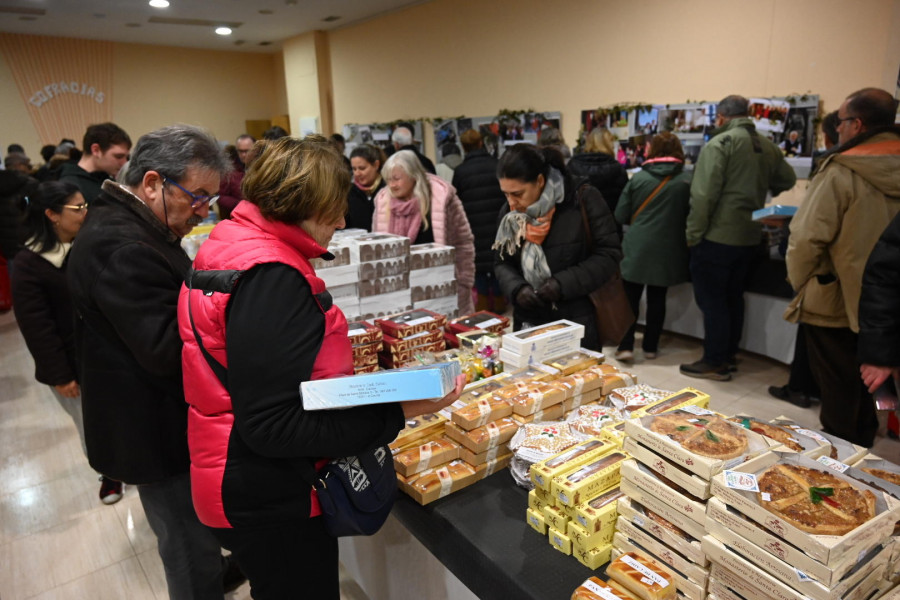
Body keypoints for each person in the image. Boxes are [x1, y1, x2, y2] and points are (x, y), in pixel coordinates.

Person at [178, 135, 464, 599]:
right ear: (299, 203)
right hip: (267, 493)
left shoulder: (233, 243)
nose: (342, 219)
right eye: (334, 206)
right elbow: (272, 426)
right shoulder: (272, 277)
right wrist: (399, 412)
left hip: (233, 474)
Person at [67, 124, 242, 599]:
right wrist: (231, 312)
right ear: (151, 183)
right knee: (186, 544)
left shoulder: (130, 225)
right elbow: (168, 350)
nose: (204, 208)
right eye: (197, 195)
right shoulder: (124, 247)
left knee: (196, 532)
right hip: (150, 427)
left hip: (150, 415)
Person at [785, 87, 900, 447]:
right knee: (877, 389)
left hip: (836, 301)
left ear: (856, 124)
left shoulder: (842, 169)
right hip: (890, 307)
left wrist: (804, 283)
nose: (839, 128)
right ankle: (871, 447)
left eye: (841, 120)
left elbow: (805, 239)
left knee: (838, 396)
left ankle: (843, 477)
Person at [9, 182, 124, 503]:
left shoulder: (83, 244)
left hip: (103, 353)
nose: (85, 213)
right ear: (51, 215)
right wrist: (60, 375)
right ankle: (109, 475)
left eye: (85, 205)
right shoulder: (30, 264)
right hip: (71, 364)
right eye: (77, 209)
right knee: (91, 426)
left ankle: (129, 464)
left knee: (117, 416)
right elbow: (37, 328)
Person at [681, 95, 796, 381]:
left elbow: (703, 196)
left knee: (713, 301)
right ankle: (728, 354)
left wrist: (693, 235)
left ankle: (714, 360)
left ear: (720, 116)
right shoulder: (767, 146)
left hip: (718, 235)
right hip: (750, 235)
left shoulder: (720, 144)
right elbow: (788, 180)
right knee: (734, 298)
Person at [493, 144, 622, 351]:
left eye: (517, 194)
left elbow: (608, 254)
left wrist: (560, 284)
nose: (512, 203)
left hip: (577, 319)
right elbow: (501, 262)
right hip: (529, 319)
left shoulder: (582, 200)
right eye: (506, 194)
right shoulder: (509, 214)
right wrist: (517, 288)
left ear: (540, 181)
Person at [613, 132, 691, 362]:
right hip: (669, 248)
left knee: (630, 300)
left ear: (651, 150)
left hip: (637, 246)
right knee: (658, 300)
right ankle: (650, 347)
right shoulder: (686, 181)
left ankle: (626, 345)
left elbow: (620, 214)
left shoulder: (638, 179)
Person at [373, 149, 476, 314]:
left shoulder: (442, 199)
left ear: (414, 176)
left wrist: (463, 280)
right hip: (399, 291)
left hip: (441, 286)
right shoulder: (383, 202)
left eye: (397, 179)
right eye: (388, 180)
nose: (392, 185)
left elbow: (463, 241)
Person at [452, 129, 508, 313]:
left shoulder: (460, 171)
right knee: (499, 263)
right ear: (480, 143)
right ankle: (500, 305)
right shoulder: (497, 165)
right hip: (497, 223)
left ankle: (483, 306)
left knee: (479, 268)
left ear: (464, 147)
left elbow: (456, 200)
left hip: (473, 225)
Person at [59, 122, 132, 203]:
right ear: (96, 150)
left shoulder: (108, 180)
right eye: (118, 156)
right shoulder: (70, 186)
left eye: (127, 157)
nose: (124, 163)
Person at [567, 127, 629, 218]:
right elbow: (623, 205)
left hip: (578, 225)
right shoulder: (618, 170)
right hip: (610, 225)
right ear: (610, 145)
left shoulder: (573, 166)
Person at [345, 143, 385, 231]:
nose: (357, 173)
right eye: (354, 169)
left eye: (362, 168)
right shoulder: (349, 192)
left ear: (376, 165)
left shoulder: (387, 190)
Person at [217, 134, 254, 219]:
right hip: (238, 216)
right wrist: (240, 204)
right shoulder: (230, 171)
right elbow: (220, 196)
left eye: (247, 151)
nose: (244, 155)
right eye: (241, 151)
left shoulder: (264, 167)